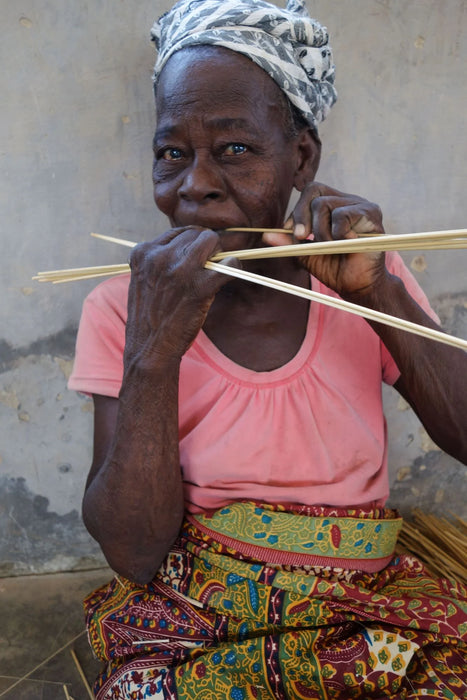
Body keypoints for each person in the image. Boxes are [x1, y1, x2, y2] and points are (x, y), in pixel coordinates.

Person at [68, 1, 467, 697]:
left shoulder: (363, 279)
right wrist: (151, 353)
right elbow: (132, 552)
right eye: (171, 154)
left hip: (360, 607)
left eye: (234, 150)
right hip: (195, 612)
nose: (194, 183)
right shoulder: (121, 308)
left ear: (301, 158)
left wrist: (379, 295)